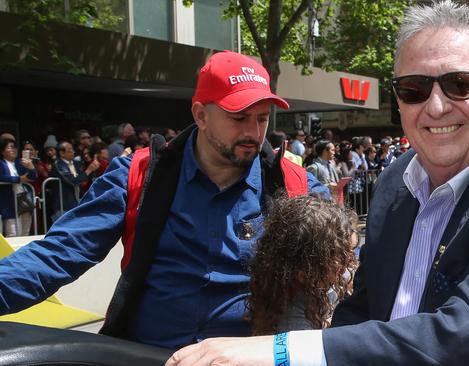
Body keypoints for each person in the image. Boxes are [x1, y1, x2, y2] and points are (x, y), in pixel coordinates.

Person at [166, 2, 469, 365]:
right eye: (414, 89)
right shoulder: (397, 179)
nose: (435, 106)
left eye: (460, 84)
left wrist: (282, 352)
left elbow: (467, 339)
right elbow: (364, 311)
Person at [0, 50, 328, 350]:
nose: (254, 132)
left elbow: (344, 265)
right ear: (200, 115)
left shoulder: (295, 185)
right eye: (239, 117)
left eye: (262, 118)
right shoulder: (138, 175)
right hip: (144, 355)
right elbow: (58, 253)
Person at [247, 195, 357, 335]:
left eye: (351, 252)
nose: (350, 263)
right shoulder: (293, 320)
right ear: (305, 273)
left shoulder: (329, 275)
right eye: (341, 257)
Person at [51, 141, 100, 218]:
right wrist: (89, 170)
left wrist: (93, 169)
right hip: (64, 205)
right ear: (62, 153)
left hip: (78, 202)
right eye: (70, 150)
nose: (73, 152)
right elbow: (72, 180)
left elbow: (82, 179)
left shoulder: (76, 163)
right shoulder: (58, 165)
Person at [0, 139, 37, 237]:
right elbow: (2, 177)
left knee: (25, 233)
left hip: (24, 201)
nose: (13, 150)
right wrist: (18, 179)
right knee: (12, 233)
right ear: (2, 151)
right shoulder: (1, 163)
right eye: (9, 147)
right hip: (9, 203)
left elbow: (33, 177)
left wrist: (31, 167)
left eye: (14, 147)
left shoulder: (20, 162)